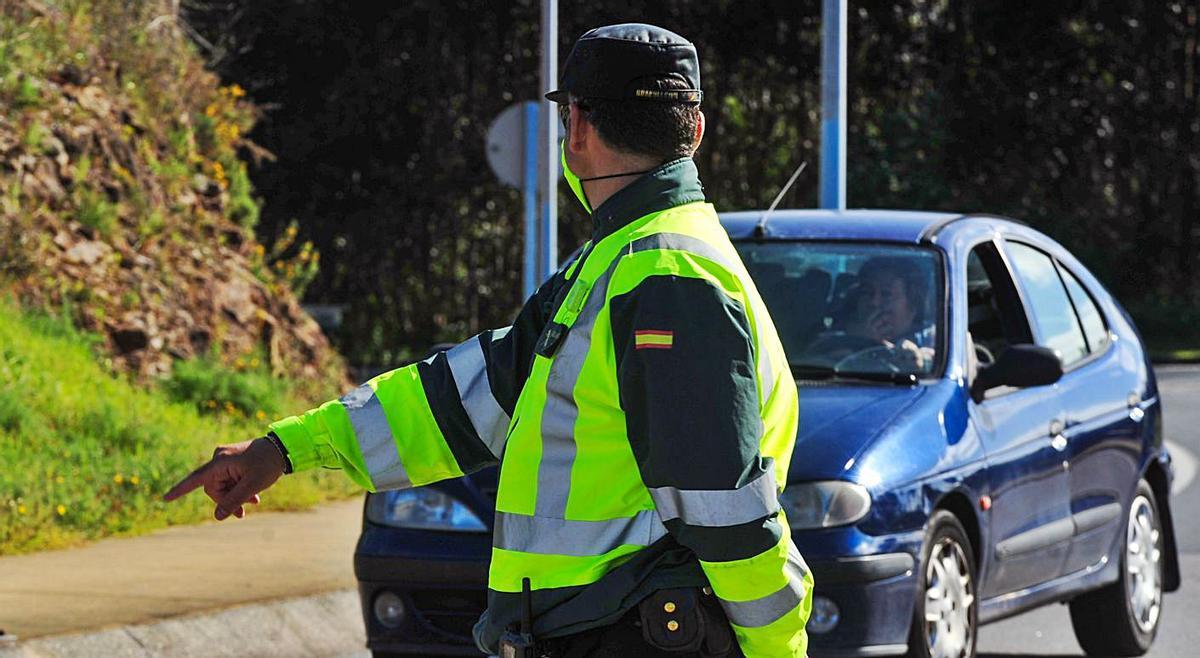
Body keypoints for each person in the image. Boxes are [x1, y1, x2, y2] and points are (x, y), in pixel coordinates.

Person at [165, 23, 810, 657]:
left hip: (625, 634)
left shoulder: (663, 274)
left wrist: (777, 649)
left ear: (577, 130)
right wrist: (282, 452)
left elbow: (723, 510)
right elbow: (456, 405)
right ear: (694, 132)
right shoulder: (628, 262)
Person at [804, 256, 936, 371]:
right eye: (867, 292)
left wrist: (919, 361)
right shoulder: (836, 336)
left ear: (912, 303)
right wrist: (856, 340)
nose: (874, 302)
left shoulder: (933, 338)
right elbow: (807, 365)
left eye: (886, 294)